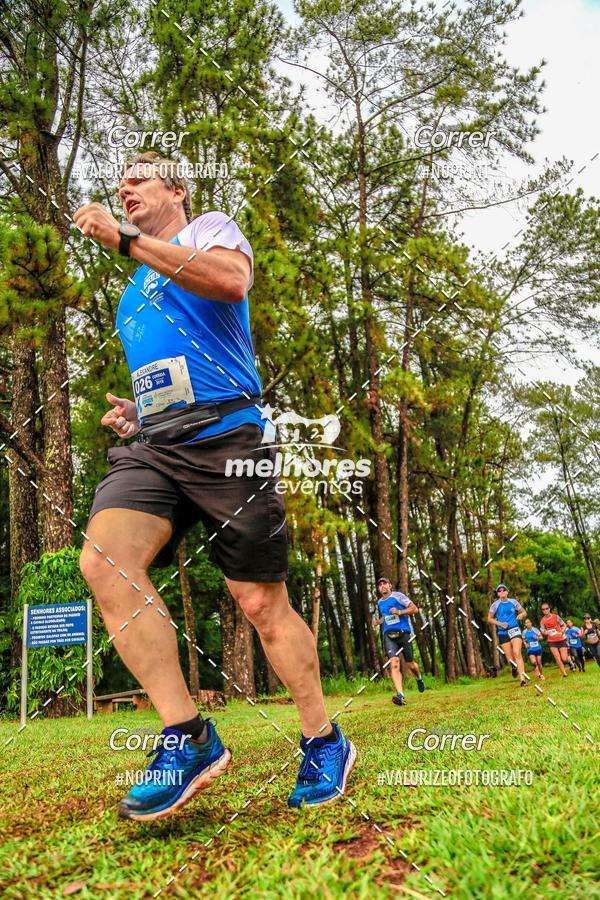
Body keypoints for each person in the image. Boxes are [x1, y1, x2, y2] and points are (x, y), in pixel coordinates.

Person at [75, 151, 356, 819]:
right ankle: (188, 736)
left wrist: (124, 240)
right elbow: (181, 365)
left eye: (137, 180)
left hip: (231, 439)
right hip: (158, 445)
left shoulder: (209, 229)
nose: (125, 190)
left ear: (175, 188)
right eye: (120, 187)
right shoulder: (132, 289)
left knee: (258, 602)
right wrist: (141, 414)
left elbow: (231, 283)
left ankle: (323, 739)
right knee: (106, 561)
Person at [372, 577, 425, 706]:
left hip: (403, 633)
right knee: (394, 663)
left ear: (390, 586)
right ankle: (401, 695)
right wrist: (378, 622)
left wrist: (400, 611)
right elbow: (386, 616)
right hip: (389, 635)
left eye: (385, 583)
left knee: (410, 664)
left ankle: (418, 678)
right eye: (380, 585)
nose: (383, 586)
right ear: (379, 589)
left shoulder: (398, 596)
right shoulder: (380, 602)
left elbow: (415, 609)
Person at [487, 584, 528, 687]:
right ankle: (514, 667)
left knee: (517, 653)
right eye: (499, 591)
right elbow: (489, 618)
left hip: (515, 629)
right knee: (510, 658)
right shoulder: (495, 605)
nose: (502, 592)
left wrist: (521, 615)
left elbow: (524, 612)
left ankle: (523, 680)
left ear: (507, 591)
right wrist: (500, 624)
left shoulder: (513, 602)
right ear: (497, 593)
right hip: (503, 632)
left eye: (503, 590)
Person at [539, 604, 570, 676]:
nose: (545, 610)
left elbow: (564, 625)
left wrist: (562, 632)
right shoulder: (542, 620)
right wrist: (545, 632)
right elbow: (542, 630)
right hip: (551, 641)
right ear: (542, 611)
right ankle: (564, 674)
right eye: (543, 609)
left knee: (564, 658)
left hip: (560, 639)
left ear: (549, 609)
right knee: (557, 658)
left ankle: (570, 660)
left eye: (546, 608)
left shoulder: (556, 616)